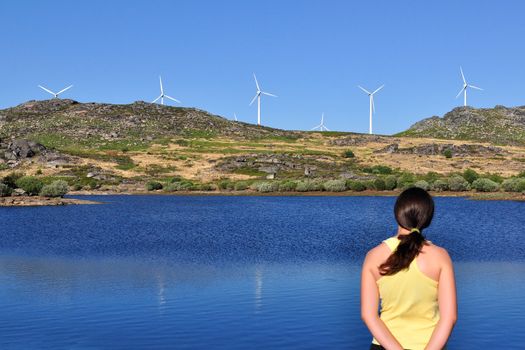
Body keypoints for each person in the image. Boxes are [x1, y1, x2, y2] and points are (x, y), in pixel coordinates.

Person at [360, 187, 457, 350]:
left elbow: (368, 315)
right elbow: (449, 318)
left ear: (397, 214)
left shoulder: (373, 256)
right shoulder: (440, 256)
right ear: (428, 219)